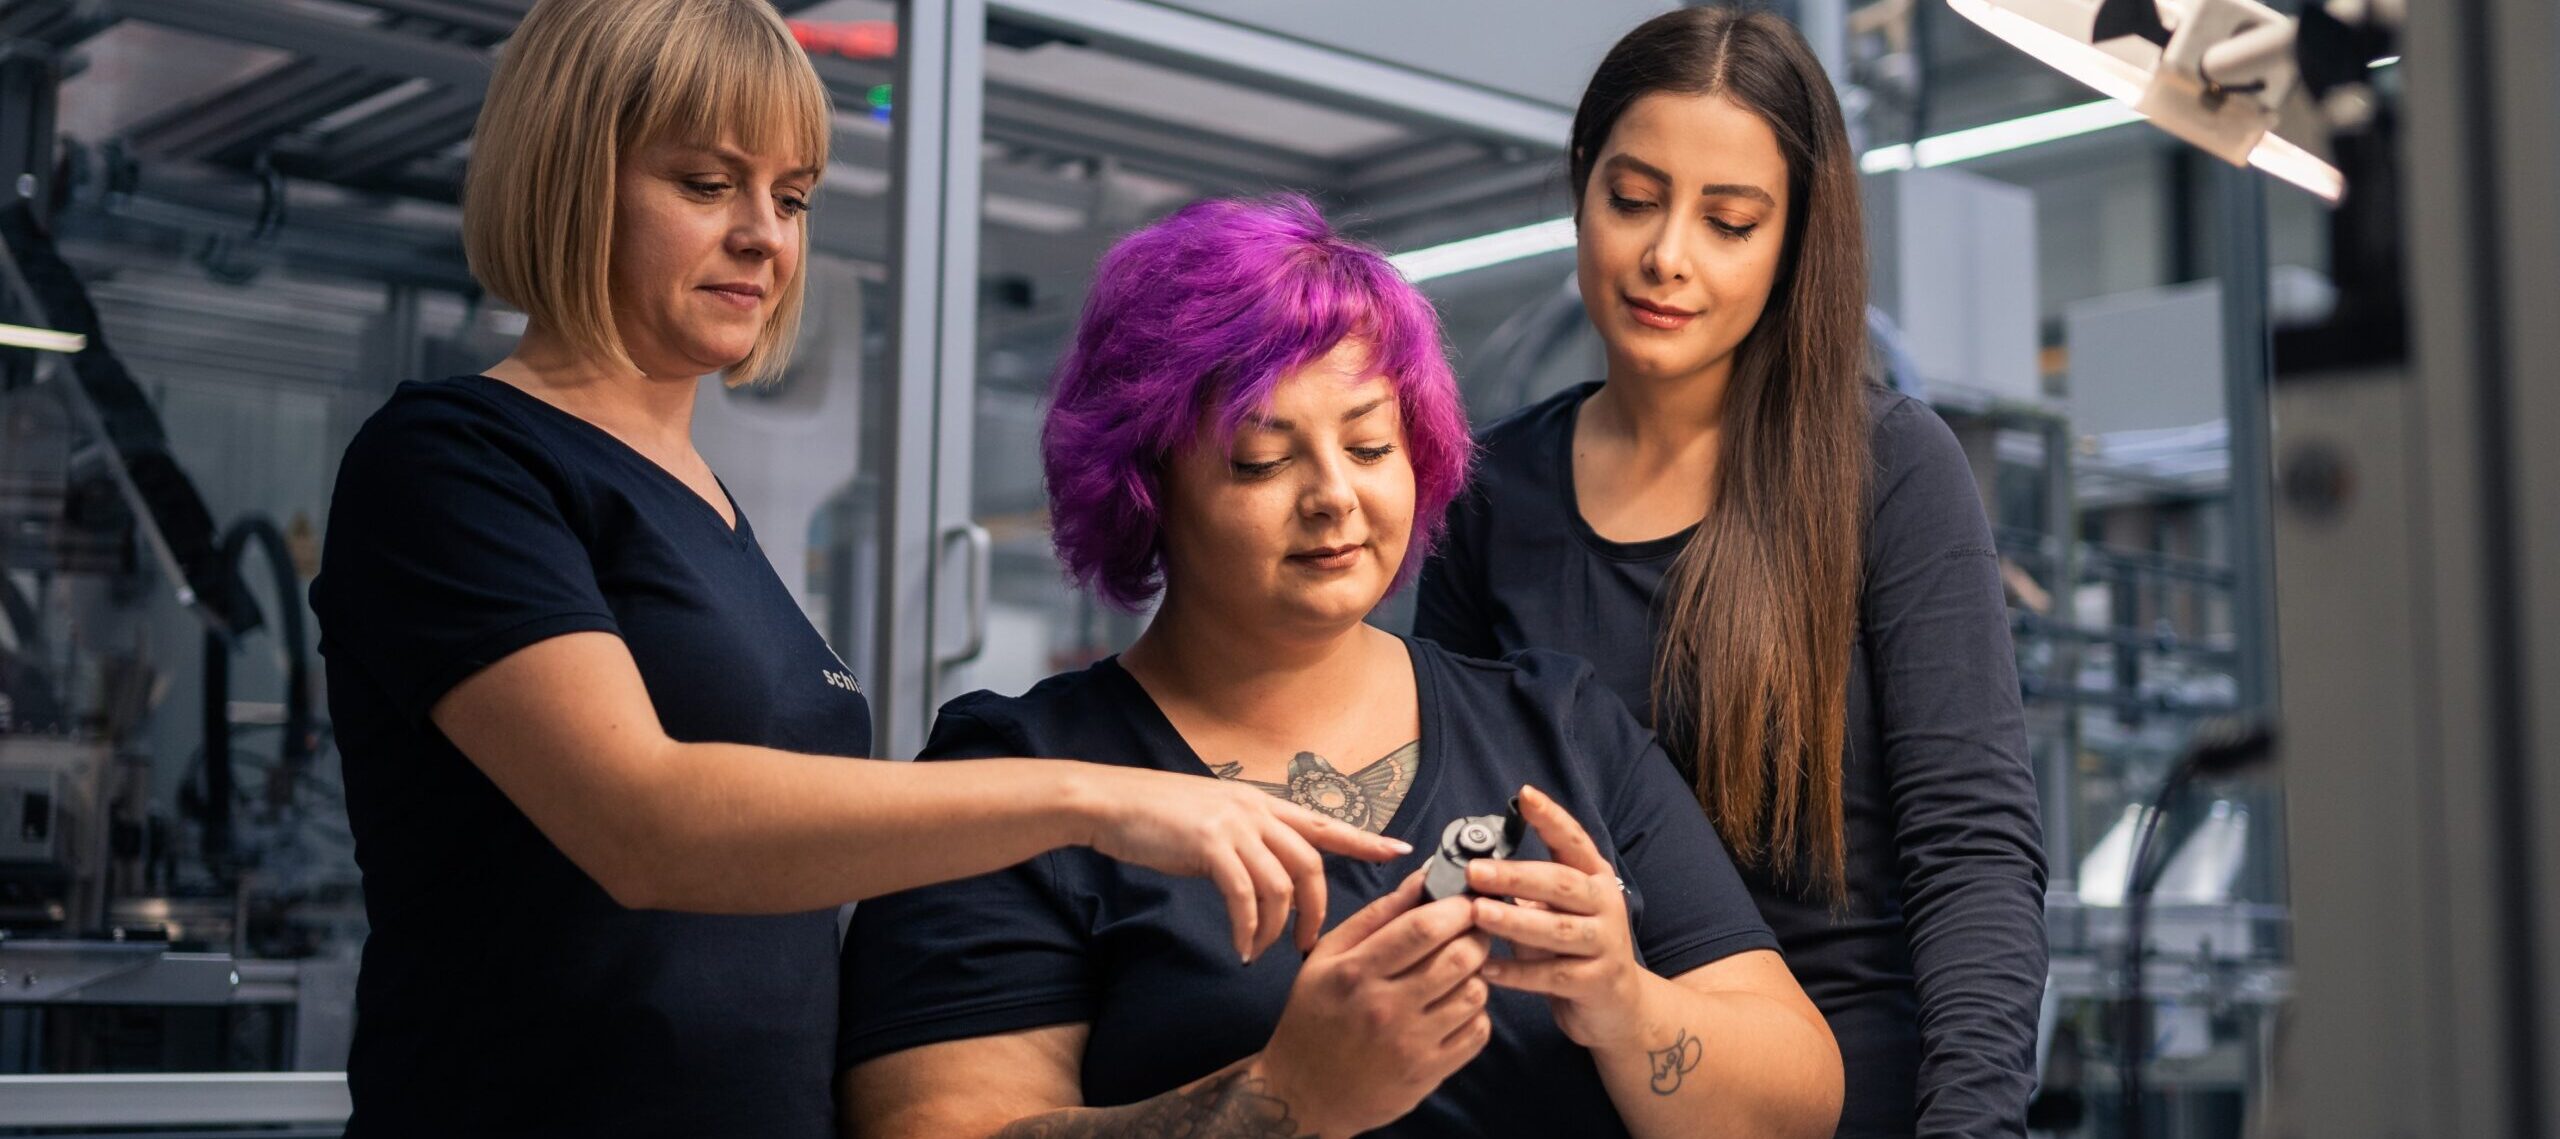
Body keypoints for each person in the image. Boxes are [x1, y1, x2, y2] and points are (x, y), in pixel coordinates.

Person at [306, 4, 1399, 1135]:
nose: (764, 238)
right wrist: (1097, 797)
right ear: (570, 173)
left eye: (791, 198)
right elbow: (641, 822)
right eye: (704, 183)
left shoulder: (705, 508)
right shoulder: (455, 462)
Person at [836, 195, 1843, 1139]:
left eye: (1368, 445)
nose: (1333, 497)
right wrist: (1285, 1095)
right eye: (1262, 460)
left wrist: (1627, 1006)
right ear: (1146, 487)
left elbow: (1798, 1096)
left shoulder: (1556, 725)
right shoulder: (1015, 775)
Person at [1412, 9, 2049, 1137]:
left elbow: (1974, 855)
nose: (1668, 255)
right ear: (1580, 189)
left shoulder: (1888, 469)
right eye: (1633, 197)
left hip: (1844, 1099)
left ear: (1793, 239)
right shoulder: (1491, 492)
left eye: (1729, 220)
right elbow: (1458, 841)